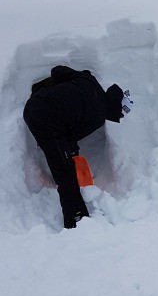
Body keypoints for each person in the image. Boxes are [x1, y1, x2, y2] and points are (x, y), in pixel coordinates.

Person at [23, 65, 132, 228]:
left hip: (35, 102)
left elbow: (58, 71)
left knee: (62, 159)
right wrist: (69, 154)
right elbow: (68, 135)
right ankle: (75, 218)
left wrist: (51, 94)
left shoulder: (89, 79)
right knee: (65, 172)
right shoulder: (98, 116)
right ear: (113, 109)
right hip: (44, 121)